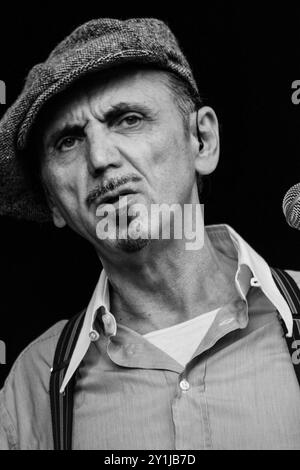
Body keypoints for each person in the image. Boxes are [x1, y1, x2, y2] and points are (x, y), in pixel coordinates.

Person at [0, 17, 300, 451]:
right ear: (53, 204)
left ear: (202, 141)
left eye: (128, 119)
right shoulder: (34, 384)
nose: (101, 158)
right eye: (68, 142)